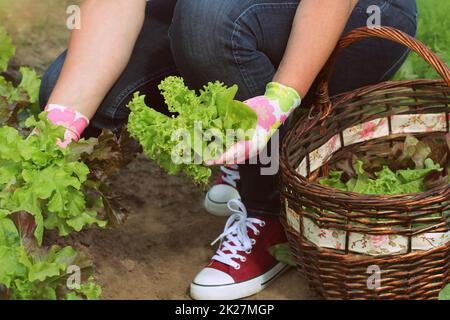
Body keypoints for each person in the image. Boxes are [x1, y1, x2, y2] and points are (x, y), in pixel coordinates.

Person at [40, 0, 418, 300]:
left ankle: (269, 211)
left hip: (360, 15)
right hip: (223, 11)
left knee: (209, 20)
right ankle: (240, 138)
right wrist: (64, 117)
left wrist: (281, 98)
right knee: (68, 86)